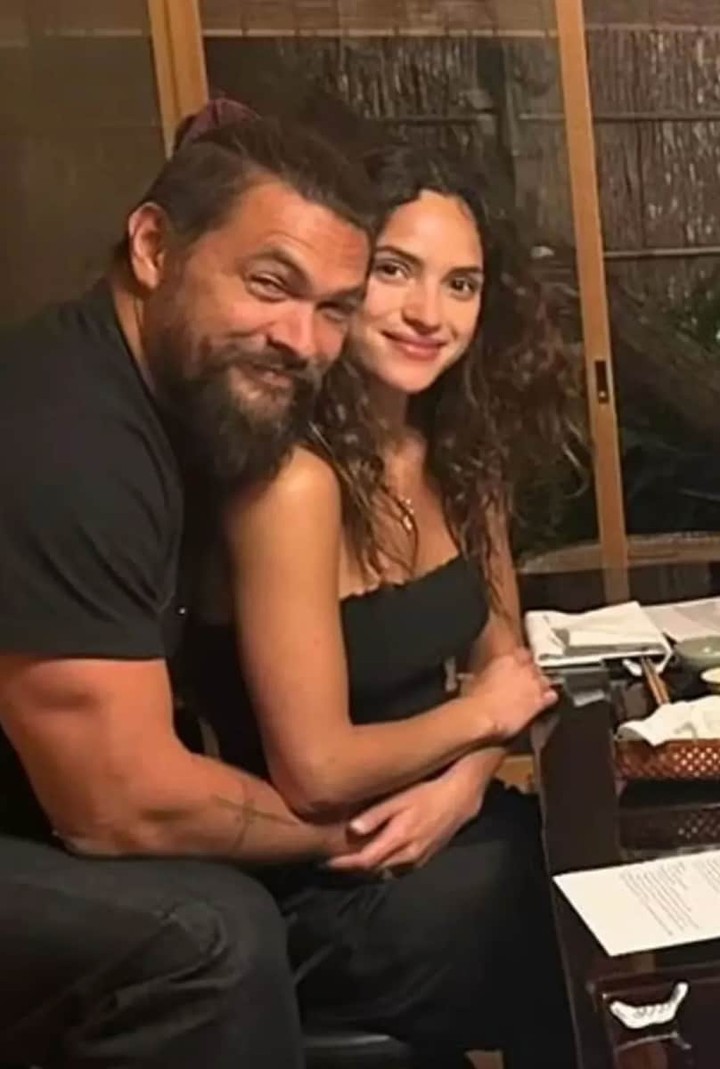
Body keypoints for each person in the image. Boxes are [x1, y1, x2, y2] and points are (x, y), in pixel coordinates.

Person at [184, 142, 581, 1067]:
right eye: (396, 270)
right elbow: (317, 769)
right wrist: (479, 721)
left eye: (461, 284)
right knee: (562, 922)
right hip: (330, 872)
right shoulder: (291, 483)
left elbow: (503, 664)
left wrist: (463, 784)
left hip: (452, 822)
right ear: (344, 281)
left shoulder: (462, 455)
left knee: (595, 868)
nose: (427, 314)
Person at [0, 114, 378, 1069]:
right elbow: (120, 802)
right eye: (269, 284)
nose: (302, 340)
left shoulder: (179, 408)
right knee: (209, 938)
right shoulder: (66, 434)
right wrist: (348, 827)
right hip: (61, 812)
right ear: (154, 246)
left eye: (335, 308)